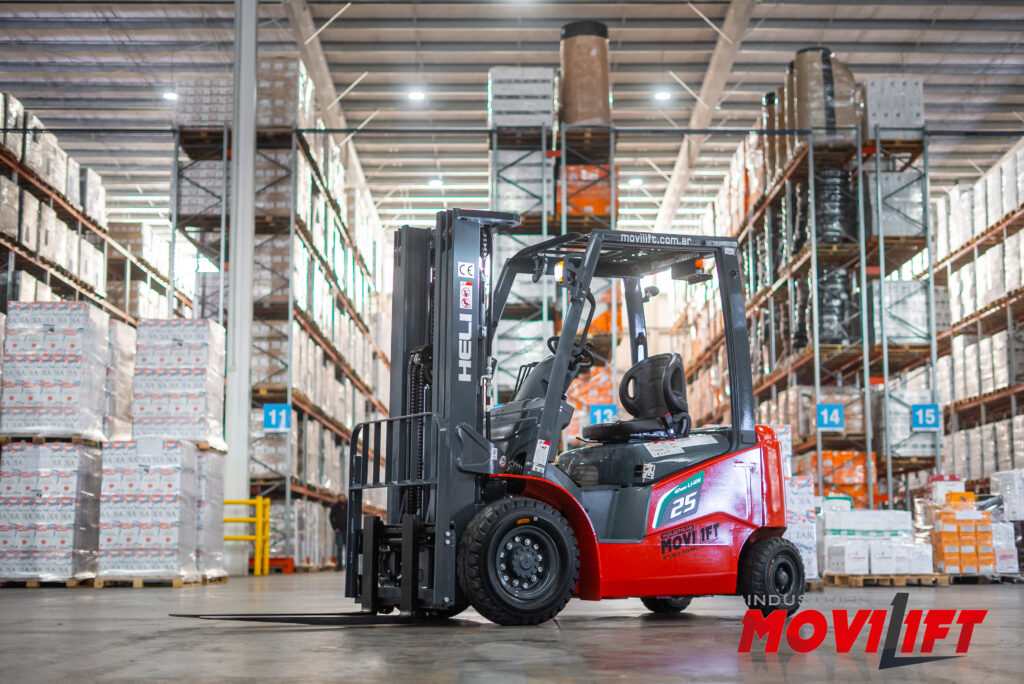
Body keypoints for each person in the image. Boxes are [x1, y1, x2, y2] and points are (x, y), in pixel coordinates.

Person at [329, 496, 348, 571]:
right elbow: (331, 517)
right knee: (339, 548)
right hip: (339, 530)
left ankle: (347, 565)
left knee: (348, 548)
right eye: (340, 497)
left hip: (347, 530)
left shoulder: (348, 506)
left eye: (343, 497)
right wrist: (335, 527)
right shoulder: (335, 507)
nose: (342, 498)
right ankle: (339, 566)